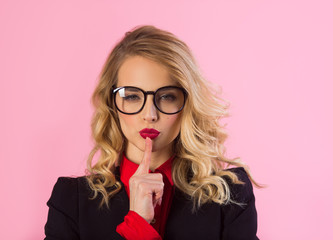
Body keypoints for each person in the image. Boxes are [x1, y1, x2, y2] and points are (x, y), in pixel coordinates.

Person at [44, 25, 260, 240]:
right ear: (112, 102)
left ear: (187, 104)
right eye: (131, 96)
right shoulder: (71, 200)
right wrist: (136, 223)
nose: (150, 114)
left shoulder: (230, 196)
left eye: (167, 96)